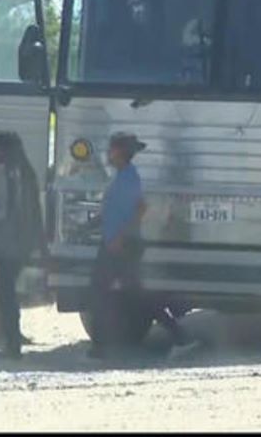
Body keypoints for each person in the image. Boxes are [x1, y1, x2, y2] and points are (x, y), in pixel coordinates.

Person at [87, 132, 199, 360]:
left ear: (119, 152)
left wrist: (120, 236)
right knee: (138, 295)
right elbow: (115, 211)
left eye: (112, 149)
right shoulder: (122, 176)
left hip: (121, 245)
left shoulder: (128, 177)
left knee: (100, 292)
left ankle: (101, 347)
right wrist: (90, 225)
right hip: (118, 243)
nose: (108, 154)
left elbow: (139, 209)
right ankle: (181, 338)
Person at [0, 132, 46, 360]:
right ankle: (11, 338)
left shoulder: (4, 174)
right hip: (24, 242)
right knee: (8, 292)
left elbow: (1, 211)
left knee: (5, 293)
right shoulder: (27, 173)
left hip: (6, 242)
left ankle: (11, 344)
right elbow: (35, 211)